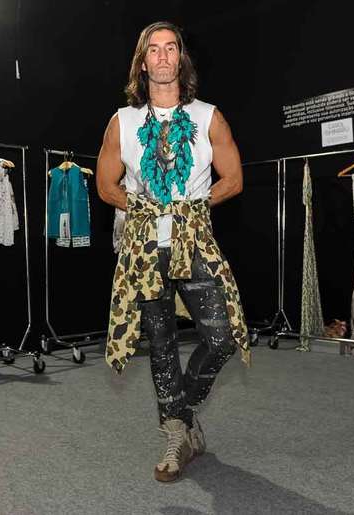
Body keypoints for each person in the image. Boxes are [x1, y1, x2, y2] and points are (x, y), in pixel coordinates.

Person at [96, 21, 251, 483]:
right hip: (144, 246)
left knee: (222, 336)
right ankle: (177, 436)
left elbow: (234, 179)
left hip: (194, 240)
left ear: (180, 59)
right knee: (161, 345)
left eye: (170, 48)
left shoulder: (209, 117)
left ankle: (178, 413)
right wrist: (140, 205)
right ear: (143, 63)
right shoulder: (122, 122)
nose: (162, 56)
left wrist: (193, 206)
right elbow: (105, 185)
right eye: (153, 50)